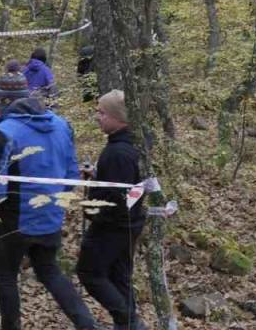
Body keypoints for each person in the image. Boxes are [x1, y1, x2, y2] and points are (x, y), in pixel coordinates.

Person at [0, 68, 98, 330]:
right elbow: (72, 172)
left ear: (1, 100)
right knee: (49, 270)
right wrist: (60, 204)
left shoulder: (4, 131)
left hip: (13, 218)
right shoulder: (62, 124)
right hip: (50, 214)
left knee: (6, 276)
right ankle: (87, 324)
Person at [77, 90, 147, 330]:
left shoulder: (118, 153)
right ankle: (128, 324)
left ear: (119, 118)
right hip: (126, 224)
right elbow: (122, 187)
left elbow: (118, 199)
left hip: (114, 227)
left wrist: (92, 210)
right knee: (119, 278)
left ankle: (128, 321)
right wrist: (96, 176)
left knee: (89, 272)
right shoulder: (123, 147)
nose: (97, 117)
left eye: (102, 113)